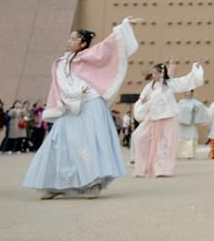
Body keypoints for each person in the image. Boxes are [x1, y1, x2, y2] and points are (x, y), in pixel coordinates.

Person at [23, 18, 140, 199]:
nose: (69, 41)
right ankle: (56, 183)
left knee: (91, 142)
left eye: (73, 38)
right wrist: (72, 95)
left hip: (90, 103)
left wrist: (123, 26)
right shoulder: (62, 62)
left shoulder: (89, 55)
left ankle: (94, 182)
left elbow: (109, 46)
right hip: (68, 106)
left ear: (82, 43)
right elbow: (61, 84)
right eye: (70, 38)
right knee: (60, 141)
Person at [132, 61, 205, 177]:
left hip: (168, 117)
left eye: (156, 73)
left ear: (161, 74)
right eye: (153, 73)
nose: (153, 75)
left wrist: (195, 69)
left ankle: (162, 169)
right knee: (140, 138)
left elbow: (187, 81)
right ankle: (143, 168)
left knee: (164, 143)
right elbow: (141, 100)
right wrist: (143, 103)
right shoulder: (149, 86)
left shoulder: (170, 84)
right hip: (153, 117)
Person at [176, 89, 210, 160]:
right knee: (182, 138)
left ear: (192, 93)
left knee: (191, 138)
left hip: (190, 123)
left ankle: (189, 154)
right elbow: (177, 110)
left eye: (189, 92)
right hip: (182, 123)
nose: (187, 93)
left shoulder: (196, 102)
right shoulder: (181, 101)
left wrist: (195, 110)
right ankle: (181, 154)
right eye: (186, 92)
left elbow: (202, 110)